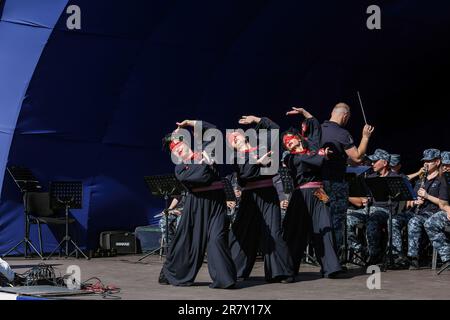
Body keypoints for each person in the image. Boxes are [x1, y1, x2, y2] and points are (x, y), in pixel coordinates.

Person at [159, 119, 236, 289]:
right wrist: (206, 163)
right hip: (195, 207)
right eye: (176, 151)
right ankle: (172, 272)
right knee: (186, 242)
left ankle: (225, 279)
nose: (179, 152)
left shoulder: (205, 152)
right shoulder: (180, 169)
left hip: (216, 204)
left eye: (180, 147)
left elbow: (214, 131)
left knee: (217, 239)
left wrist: (191, 123)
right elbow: (202, 176)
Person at [227, 115, 295, 283]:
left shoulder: (261, 146)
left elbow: (275, 130)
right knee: (242, 232)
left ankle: (282, 273)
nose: (234, 137)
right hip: (250, 196)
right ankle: (236, 271)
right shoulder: (237, 157)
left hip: (267, 193)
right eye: (231, 139)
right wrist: (259, 162)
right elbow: (246, 174)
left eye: (236, 135)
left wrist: (257, 120)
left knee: (273, 233)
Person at [281, 107, 342, 278]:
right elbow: (308, 161)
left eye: (289, 139)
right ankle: (288, 270)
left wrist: (305, 113)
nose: (287, 143)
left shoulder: (312, 148)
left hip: (317, 193)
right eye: (285, 142)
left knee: (325, 228)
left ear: (299, 138)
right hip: (300, 196)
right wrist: (321, 155)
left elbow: (315, 128)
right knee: (295, 233)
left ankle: (331, 268)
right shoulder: (290, 158)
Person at [321, 103, 375, 255]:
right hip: (335, 184)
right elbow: (357, 158)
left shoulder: (317, 130)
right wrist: (365, 137)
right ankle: (335, 260)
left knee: (322, 220)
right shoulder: (341, 133)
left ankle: (322, 256)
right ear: (345, 116)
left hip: (318, 185)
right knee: (337, 221)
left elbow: (345, 158)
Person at [346, 149, 396, 264]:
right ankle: (360, 249)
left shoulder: (394, 178)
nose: (372, 164)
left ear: (384, 163)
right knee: (346, 218)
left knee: (372, 220)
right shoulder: (370, 177)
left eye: (375, 161)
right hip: (368, 209)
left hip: (385, 210)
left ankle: (374, 254)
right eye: (372, 161)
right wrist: (365, 198)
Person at [406, 149, 444, 269]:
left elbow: (444, 203)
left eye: (429, 161)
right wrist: (414, 202)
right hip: (417, 211)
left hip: (433, 213)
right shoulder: (421, 179)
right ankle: (397, 256)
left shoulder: (442, 179)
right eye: (424, 161)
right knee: (395, 219)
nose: (425, 163)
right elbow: (407, 199)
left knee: (414, 222)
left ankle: (413, 258)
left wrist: (427, 196)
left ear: (437, 162)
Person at [424, 151, 450, 273]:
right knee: (430, 223)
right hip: (448, 211)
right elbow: (443, 203)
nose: (445, 168)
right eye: (444, 165)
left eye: (448, 165)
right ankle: (448, 257)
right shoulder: (444, 178)